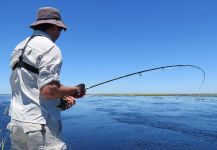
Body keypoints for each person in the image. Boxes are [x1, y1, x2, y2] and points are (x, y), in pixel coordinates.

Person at [7, 7, 85, 149]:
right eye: (60, 30)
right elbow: (49, 90)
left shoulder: (18, 48)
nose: (60, 33)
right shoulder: (50, 47)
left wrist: (59, 100)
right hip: (39, 126)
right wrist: (76, 89)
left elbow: (30, 85)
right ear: (54, 27)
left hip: (16, 124)